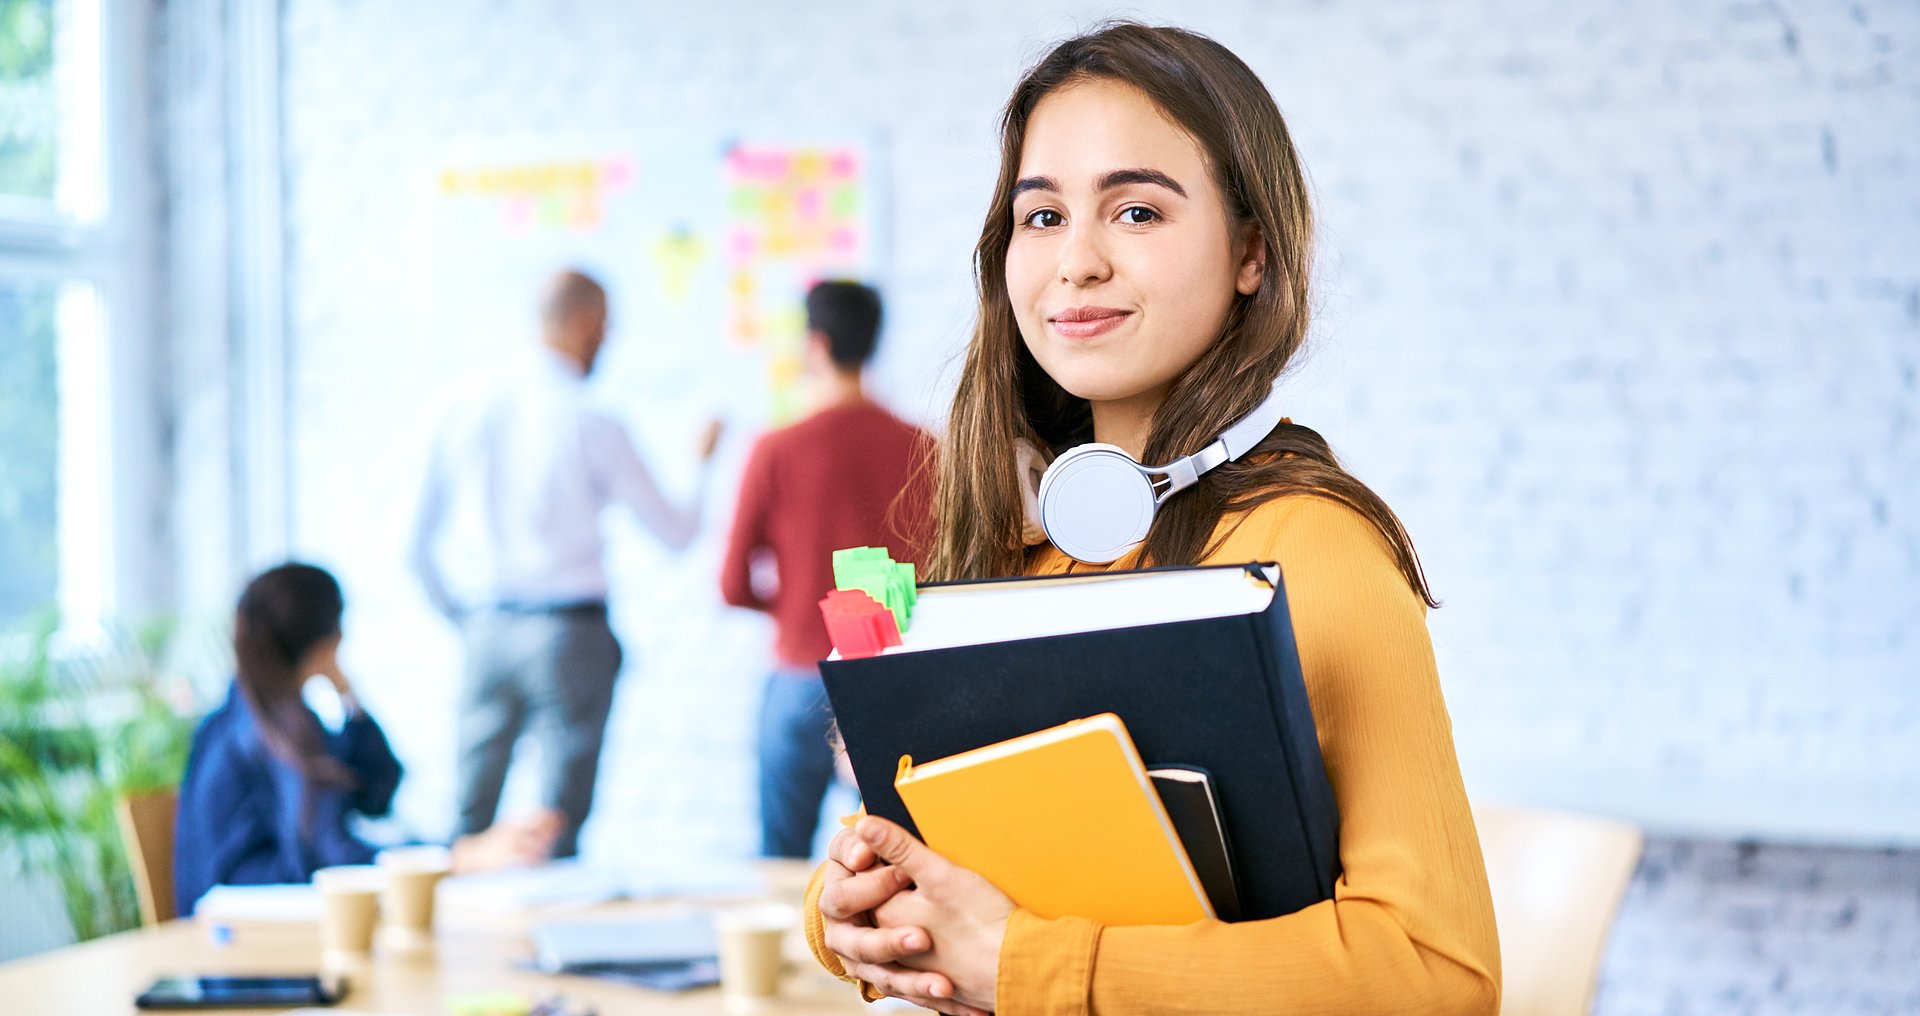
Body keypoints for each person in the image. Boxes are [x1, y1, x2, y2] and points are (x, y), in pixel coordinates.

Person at [804, 23, 1501, 1016]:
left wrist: (1028, 964)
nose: (1076, 261)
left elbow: (1439, 973)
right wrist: (846, 911)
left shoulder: (1315, 547)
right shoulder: (1019, 545)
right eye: (1042, 216)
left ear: (1251, 251)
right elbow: (944, 860)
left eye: (1135, 210)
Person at [408, 269, 720, 859]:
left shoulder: (462, 405)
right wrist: (701, 463)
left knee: (468, 827)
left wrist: (468, 622)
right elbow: (676, 533)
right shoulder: (591, 418)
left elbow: (414, 547)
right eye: (606, 327)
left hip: (486, 626)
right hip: (570, 635)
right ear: (584, 322)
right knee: (557, 827)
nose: (608, 341)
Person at [174, 563, 559, 915]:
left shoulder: (260, 720)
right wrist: (456, 857)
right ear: (329, 641)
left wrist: (347, 694)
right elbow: (333, 859)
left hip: (251, 927)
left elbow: (377, 792)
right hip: (246, 934)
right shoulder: (263, 736)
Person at [719, 281, 933, 859]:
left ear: (815, 345)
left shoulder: (776, 448)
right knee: (890, 859)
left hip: (799, 675)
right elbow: (943, 574)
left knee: (780, 857)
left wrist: (798, 606)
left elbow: (732, 585)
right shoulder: (924, 449)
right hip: (886, 681)